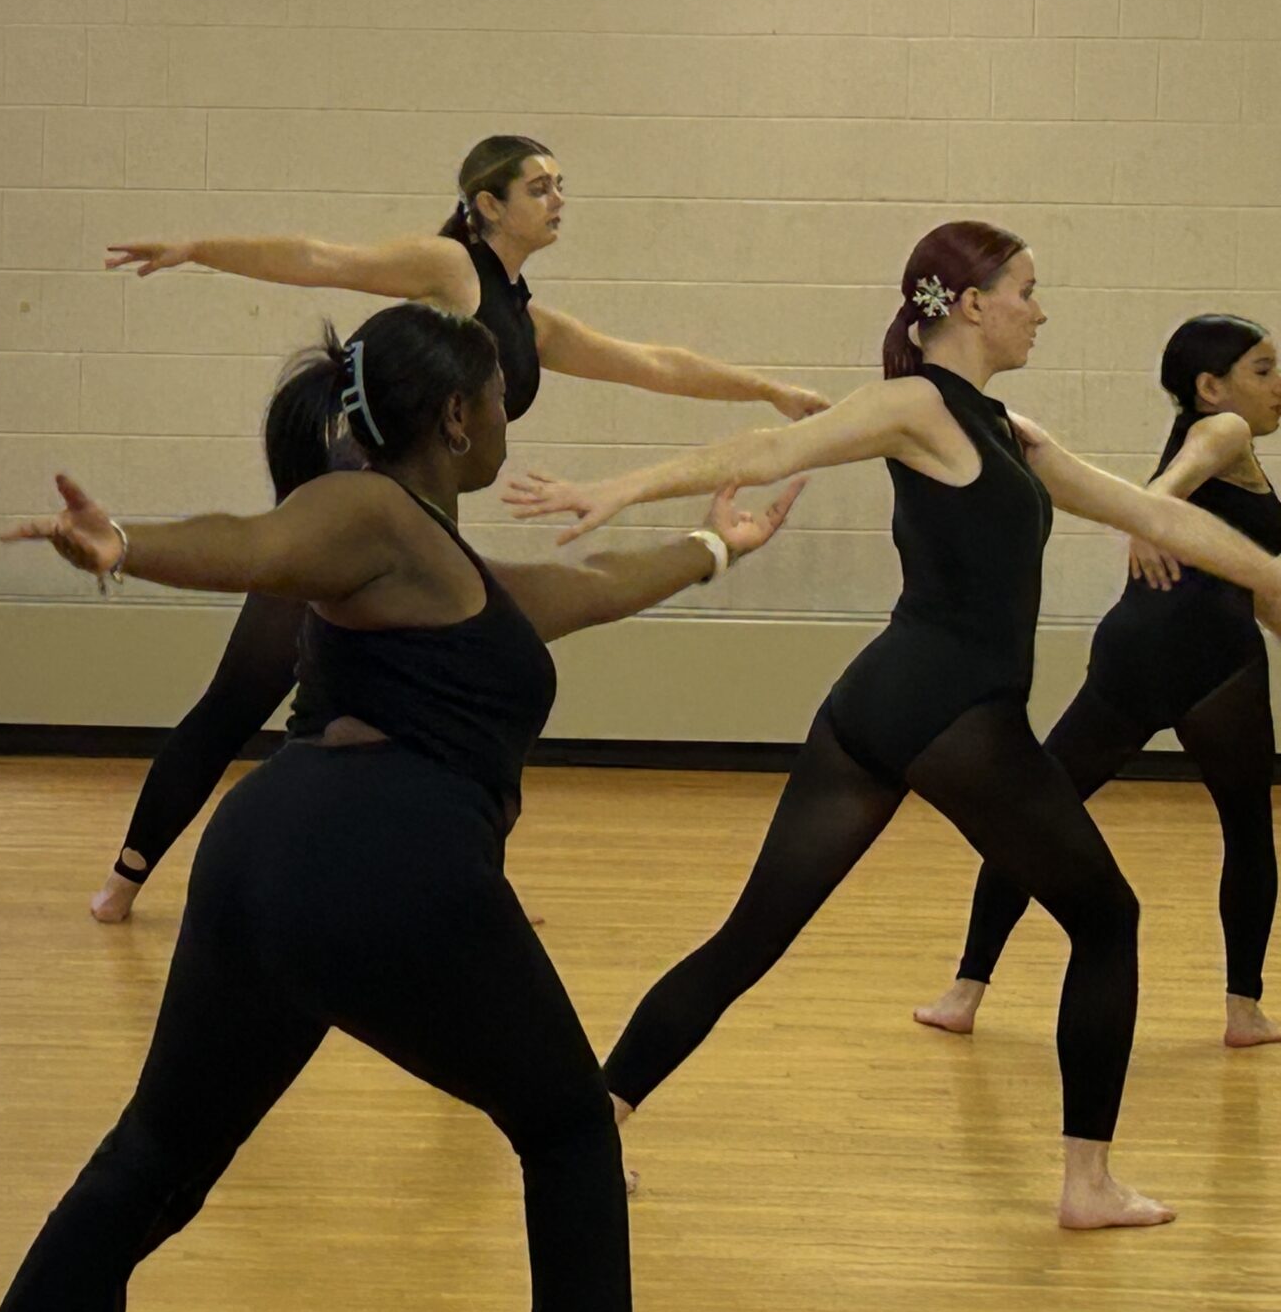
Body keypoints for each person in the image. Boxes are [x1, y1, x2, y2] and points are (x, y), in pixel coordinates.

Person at [0, 300, 806, 1312]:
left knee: (156, 1156)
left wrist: (717, 547)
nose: (509, 419)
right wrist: (126, 544)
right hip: (384, 862)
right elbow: (260, 542)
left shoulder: (443, 567)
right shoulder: (369, 510)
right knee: (572, 1133)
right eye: (500, 397)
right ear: (456, 417)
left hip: (266, 855)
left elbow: (586, 586)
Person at [506, 222, 1281, 1229]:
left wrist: (1269, 573)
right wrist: (619, 487)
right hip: (954, 715)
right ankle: (1087, 1185)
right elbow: (770, 449)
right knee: (1106, 919)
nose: (1040, 311)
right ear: (971, 304)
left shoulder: (1004, 429)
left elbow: (1153, 514)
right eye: (1027, 291)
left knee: (751, 935)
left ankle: (588, 1129)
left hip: (880, 705)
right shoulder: (917, 403)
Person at [85, 135, 829, 921]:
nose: (558, 199)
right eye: (538, 187)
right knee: (244, 693)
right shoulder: (451, 269)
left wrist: (768, 390)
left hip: (424, 525)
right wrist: (200, 249)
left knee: (443, 704)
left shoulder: (523, 317)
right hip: (362, 510)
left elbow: (650, 362)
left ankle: (455, 879)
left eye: (560, 184)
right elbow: (322, 258)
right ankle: (124, 882)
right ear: (487, 206)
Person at [915, 314, 1281, 1050]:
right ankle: (1243, 1011)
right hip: (1201, 665)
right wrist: (1147, 517)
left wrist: (1154, 517)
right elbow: (1164, 490)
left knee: (1036, 814)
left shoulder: (1234, 452)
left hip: (1179, 658)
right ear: (1211, 387)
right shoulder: (1224, 430)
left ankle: (966, 993)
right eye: (1264, 370)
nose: (1279, 384)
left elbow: (1262, 588)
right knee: (1244, 832)